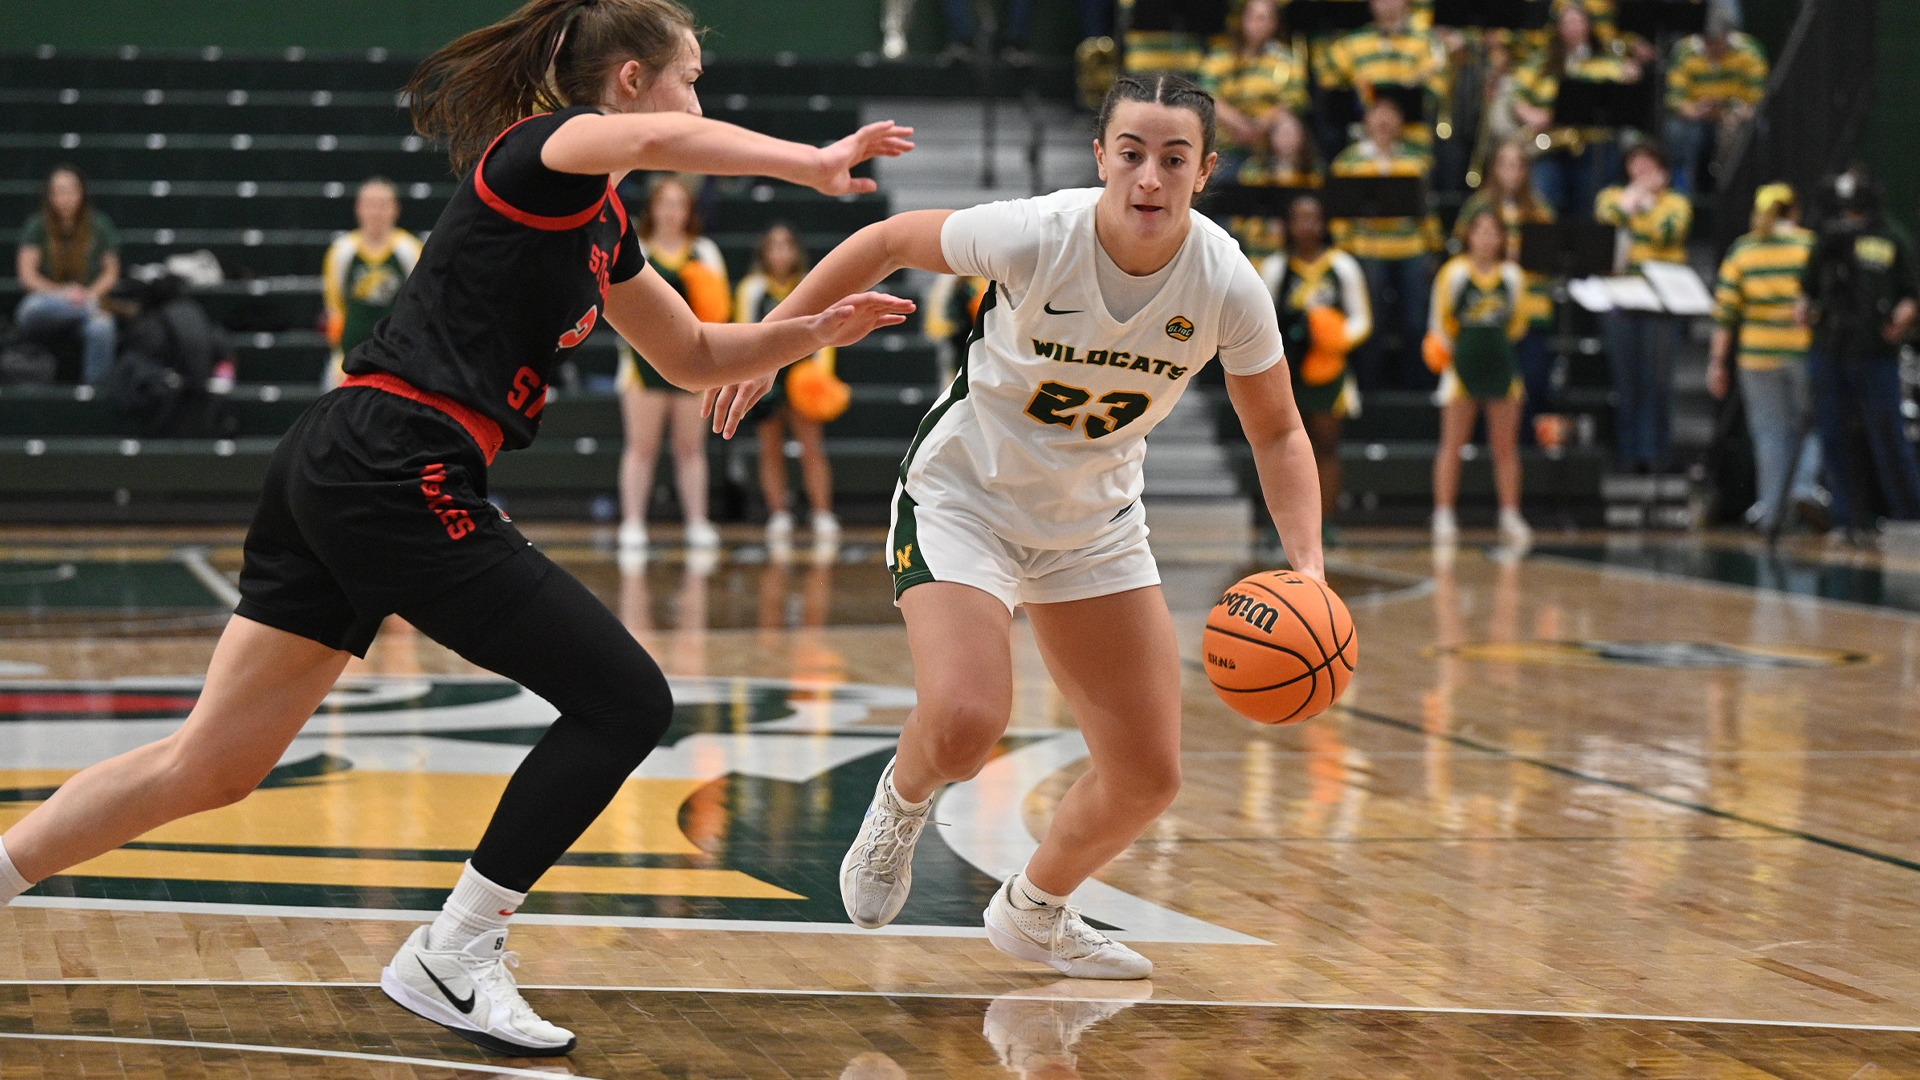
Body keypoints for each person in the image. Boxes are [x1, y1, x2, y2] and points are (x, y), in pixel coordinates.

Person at [0, 0, 914, 1058]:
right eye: (691, 77)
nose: (697, 101)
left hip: (353, 463)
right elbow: (666, 141)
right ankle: (454, 949)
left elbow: (694, 354)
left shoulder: (606, 225)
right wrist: (810, 164)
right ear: (628, 82)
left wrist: (807, 332)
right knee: (624, 700)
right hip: (395, 461)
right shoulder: (540, 154)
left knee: (212, 766)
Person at [707, 73, 1323, 980]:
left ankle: (1035, 910)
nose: (1150, 175)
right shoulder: (1039, 233)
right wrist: (778, 338)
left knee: (1148, 775)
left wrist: (1306, 568)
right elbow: (885, 239)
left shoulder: (1226, 279)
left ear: (1205, 170)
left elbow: (1278, 431)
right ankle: (903, 803)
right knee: (964, 723)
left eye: (1174, 158)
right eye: (1132, 153)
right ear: (1103, 157)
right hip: (968, 497)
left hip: (1096, 522)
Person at [1799, 165, 1920, 540]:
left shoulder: (1892, 237)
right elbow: (1806, 289)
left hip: (1876, 349)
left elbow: (1910, 293)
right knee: (1833, 432)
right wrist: (1804, 310)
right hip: (1831, 348)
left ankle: (1908, 516)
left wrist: (1903, 316)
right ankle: (1846, 518)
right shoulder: (1829, 238)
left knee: (1887, 433)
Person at [616, 175, 732, 555]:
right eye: (663, 203)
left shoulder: (705, 252)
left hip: (692, 363)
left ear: (688, 211)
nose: (671, 211)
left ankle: (697, 522)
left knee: (690, 448)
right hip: (640, 363)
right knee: (641, 447)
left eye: (678, 204)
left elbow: (720, 312)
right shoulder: (638, 250)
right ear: (652, 209)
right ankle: (632, 522)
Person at [1708, 183, 1822, 533]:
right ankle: (1802, 490)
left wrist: (1716, 362)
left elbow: (1725, 312)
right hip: (1801, 351)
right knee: (1811, 427)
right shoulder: (1809, 245)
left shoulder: (1744, 250)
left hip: (1755, 356)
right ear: (1794, 210)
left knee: (1769, 435)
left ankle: (1773, 512)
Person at [1262, 193, 1371, 548]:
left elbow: (1362, 319)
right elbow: (1260, 322)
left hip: (1328, 370)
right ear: (1288, 225)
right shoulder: (1277, 268)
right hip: (1287, 372)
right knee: (1284, 449)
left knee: (1326, 447)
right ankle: (1280, 526)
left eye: (1313, 218)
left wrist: (1335, 339)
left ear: (1324, 224)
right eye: (1299, 218)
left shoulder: (1343, 267)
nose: (1307, 225)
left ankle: (1325, 524)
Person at [1428, 208, 1532, 547]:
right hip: (1461, 367)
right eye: (1480, 231)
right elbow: (1440, 323)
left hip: (1502, 366)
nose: (1486, 238)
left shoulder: (1513, 276)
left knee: (1505, 447)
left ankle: (1510, 514)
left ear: (1502, 238)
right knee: (1451, 445)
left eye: (1493, 231)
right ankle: (1443, 513)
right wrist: (1452, 354)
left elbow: (1518, 323)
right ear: (1469, 236)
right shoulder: (1453, 273)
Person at [736, 223, 841, 545]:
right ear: (764, 253)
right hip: (767, 372)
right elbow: (744, 331)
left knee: (812, 447)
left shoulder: (809, 286)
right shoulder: (752, 288)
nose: (781, 252)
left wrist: (820, 376)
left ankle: (822, 513)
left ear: (796, 251)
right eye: (774, 246)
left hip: (803, 375)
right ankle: (779, 512)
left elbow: (827, 334)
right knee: (770, 447)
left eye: (787, 245)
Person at [1331, 95, 1442, 391]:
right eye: (1377, 114)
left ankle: (1416, 391)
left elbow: (1426, 211)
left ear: (1401, 123)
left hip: (1411, 249)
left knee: (1416, 323)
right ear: (1366, 121)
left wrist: (1433, 247)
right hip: (1367, 250)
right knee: (1372, 324)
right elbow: (1339, 212)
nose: (1383, 121)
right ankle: (1369, 390)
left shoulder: (1416, 160)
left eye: (1391, 114)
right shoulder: (1348, 161)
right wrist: (1345, 248)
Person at [1595, 142, 1691, 473]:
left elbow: (1668, 233)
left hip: (1662, 302)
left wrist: (1641, 209)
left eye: (1649, 165)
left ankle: (1655, 454)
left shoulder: (1676, 203)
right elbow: (1607, 221)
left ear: (1664, 172)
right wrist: (1631, 207)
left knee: (1657, 381)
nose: (1642, 173)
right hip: (1621, 299)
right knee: (1626, 381)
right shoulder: (1611, 196)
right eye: (1636, 165)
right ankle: (1628, 454)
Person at [1454, 139, 1556, 436]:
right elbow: (1462, 250)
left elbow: (1552, 258)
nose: (1512, 172)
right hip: (1490, 310)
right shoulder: (1478, 206)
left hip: (1533, 306)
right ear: (1494, 169)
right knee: (1488, 383)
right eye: (1505, 164)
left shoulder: (1540, 208)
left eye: (1518, 165)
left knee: (1533, 380)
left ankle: (1526, 442)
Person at [1512, 1, 1639, 216]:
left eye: (1579, 22)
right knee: (1545, 198)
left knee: (1591, 202)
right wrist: (1530, 113)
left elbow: (1623, 96)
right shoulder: (1541, 62)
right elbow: (1517, 97)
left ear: (1588, 26)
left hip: (1593, 147)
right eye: (1568, 23)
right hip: (1550, 145)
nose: (1574, 28)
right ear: (1558, 28)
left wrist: (1630, 76)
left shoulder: (1605, 63)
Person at [13, 165, 120, 385]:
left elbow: (111, 272)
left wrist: (89, 295)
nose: (65, 198)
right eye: (59, 191)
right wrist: (65, 294)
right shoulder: (37, 226)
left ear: (81, 193)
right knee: (30, 308)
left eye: (70, 191)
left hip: (89, 302)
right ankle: (85, 308)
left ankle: (93, 396)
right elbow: (27, 275)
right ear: (50, 195)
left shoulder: (100, 226)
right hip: (49, 305)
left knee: (103, 327)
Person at [321, 177, 423, 388]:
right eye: (370, 205)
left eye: (383, 205)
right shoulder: (341, 251)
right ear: (358, 209)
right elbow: (335, 308)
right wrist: (341, 355)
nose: (376, 212)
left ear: (396, 209)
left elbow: (419, 305)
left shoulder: (410, 250)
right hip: (349, 356)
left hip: (397, 360)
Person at [1197, 0, 1306, 183]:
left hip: (1266, 134)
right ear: (1242, 20)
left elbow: (1292, 101)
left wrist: (1259, 127)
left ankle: (1285, 185)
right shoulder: (1220, 56)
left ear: (1275, 24)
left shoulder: (1286, 60)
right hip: (1229, 131)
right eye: (1255, 17)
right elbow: (1209, 96)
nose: (1260, 24)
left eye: (1266, 19)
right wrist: (1240, 125)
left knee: (1289, 126)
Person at [1662, 9, 1767, 196]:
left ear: (1728, 35)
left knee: (1758, 128)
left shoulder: (1750, 50)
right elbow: (1675, 100)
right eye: (1706, 41)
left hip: (1735, 118)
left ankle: (1745, 192)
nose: (1711, 47)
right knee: (1678, 132)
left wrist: (1738, 110)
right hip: (1697, 119)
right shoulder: (1684, 50)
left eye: (1716, 41)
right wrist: (1696, 109)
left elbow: (1757, 100)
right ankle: (1686, 195)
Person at [1321, 0, 1449, 148]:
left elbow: (1438, 89)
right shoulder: (1351, 42)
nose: (1387, 2)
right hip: (1363, 143)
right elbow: (1328, 81)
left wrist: (1395, 109)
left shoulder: (1428, 42)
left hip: (1415, 142)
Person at [1227, 109, 1322, 262]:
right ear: (1271, 137)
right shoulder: (1254, 170)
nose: (1288, 138)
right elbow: (1240, 217)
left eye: (1292, 132)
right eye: (1282, 133)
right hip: (1261, 246)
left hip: (1301, 248)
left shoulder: (1314, 172)